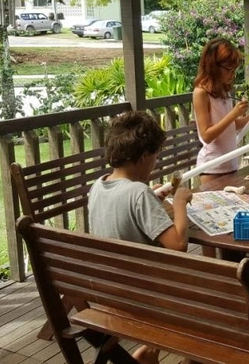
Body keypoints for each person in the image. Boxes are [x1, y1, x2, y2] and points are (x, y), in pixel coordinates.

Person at [88, 110, 191, 364]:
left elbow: (124, 215)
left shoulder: (98, 185)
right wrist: (180, 202)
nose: (155, 162)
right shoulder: (138, 193)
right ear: (144, 156)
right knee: (212, 293)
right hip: (143, 297)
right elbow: (178, 246)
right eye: (155, 156)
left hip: (107, 289)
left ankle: (148, 353)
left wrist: (153, 199)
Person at [192, 38, 249, 184]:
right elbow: (206, 136)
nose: (232, 74)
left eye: (234, 70)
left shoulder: (223, 90)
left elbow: (232, 124)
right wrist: (233, 114)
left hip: (231, 163)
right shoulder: (201, 93)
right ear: (213, 66)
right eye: (229, 70)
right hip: (212, 167)